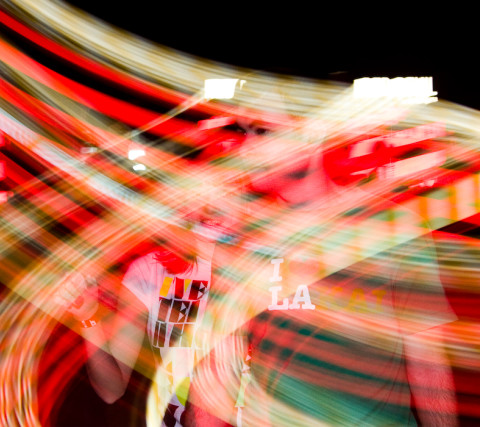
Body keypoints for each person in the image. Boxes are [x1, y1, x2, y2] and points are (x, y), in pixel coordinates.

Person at [184, 114, 458, 426]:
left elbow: (427, 355)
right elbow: (218, 365)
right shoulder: (244, 238)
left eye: (263, 131)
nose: (248, 149)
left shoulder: (390, 226)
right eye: (244, 133)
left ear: (312, 133)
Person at [57, 167, 250, 427]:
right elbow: (112, 389)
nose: (212, 205)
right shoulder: (152, 271)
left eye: (227, 191)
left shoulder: (266, 270)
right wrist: (89, 319)